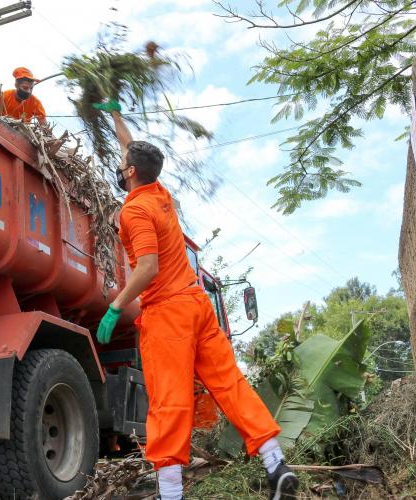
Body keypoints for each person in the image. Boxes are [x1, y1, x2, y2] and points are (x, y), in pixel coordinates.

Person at [93, 99, 299, 500]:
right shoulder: (160, 193)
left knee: (169, 401)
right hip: (198, 307)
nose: (119, 168)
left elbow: (147, 267)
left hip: (167, 315)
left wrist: (115, 306)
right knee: (230, 385)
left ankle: (171, 494)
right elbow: (130, 150)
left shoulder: (133, 212)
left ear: (131, 173)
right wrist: (115, 114)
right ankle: (276, 465)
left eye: (123, 167)